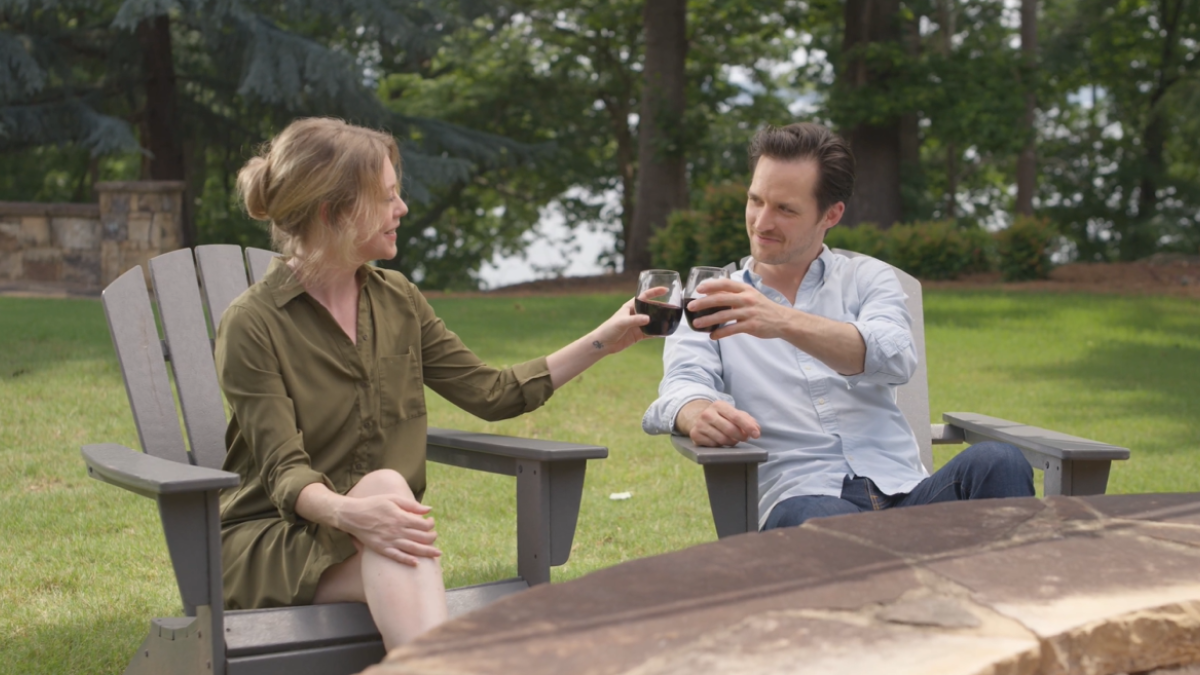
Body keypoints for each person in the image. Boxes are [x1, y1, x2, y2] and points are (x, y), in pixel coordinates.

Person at [216, 118, 653, 650]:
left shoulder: (397, 300)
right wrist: (354, 513)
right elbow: (285, 474)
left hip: (379, 539)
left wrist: (607, 337)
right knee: (388, 499)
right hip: (275, 544)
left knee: (390, 512)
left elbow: (493, 394)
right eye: (387, 197)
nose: (401, 210)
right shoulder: (253, 323)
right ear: (334, 212)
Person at [642, 122, 1033, 532]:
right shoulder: (710, 300)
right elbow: (683, 384)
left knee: (999, 461)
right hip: (803, 501)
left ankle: (998, 590)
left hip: (909, 499)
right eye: (755, 200)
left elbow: (894, 355)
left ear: (831, 214)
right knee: (828, 521)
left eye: (785, 209)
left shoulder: (867, 279)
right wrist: (695, 413)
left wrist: (782, 321)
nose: (761, 222)